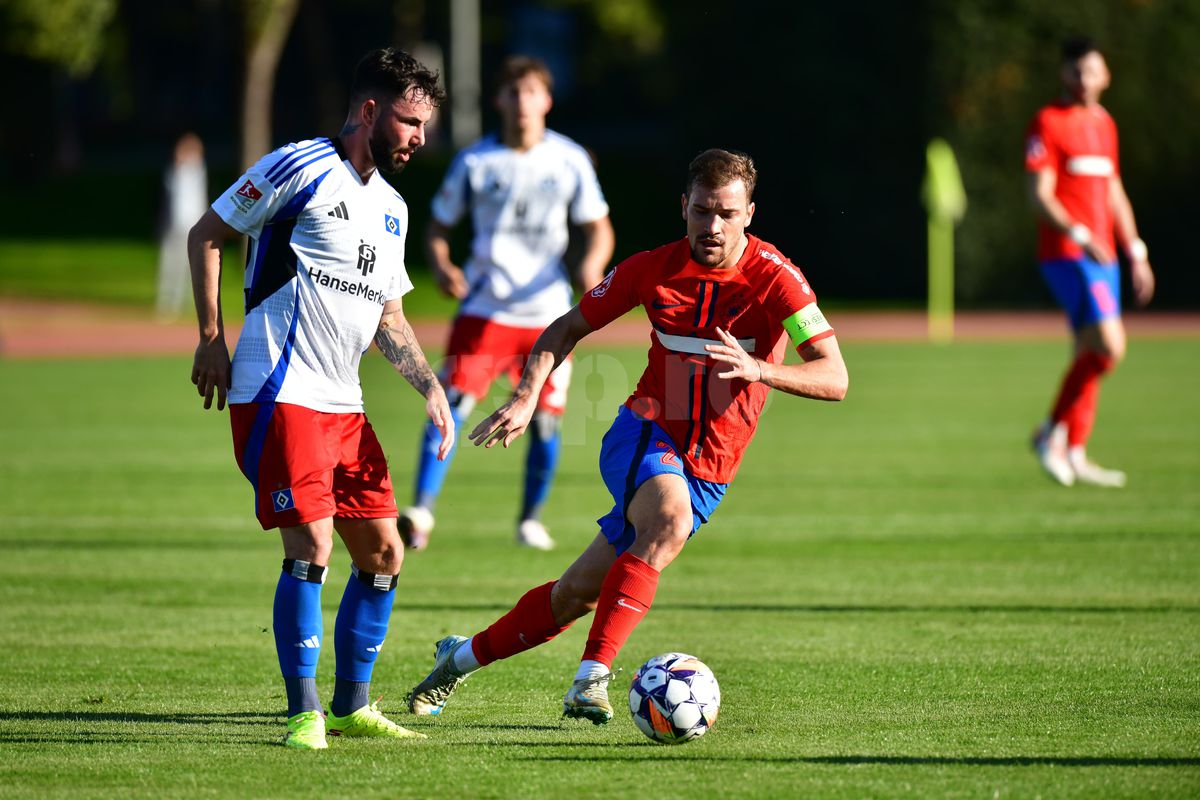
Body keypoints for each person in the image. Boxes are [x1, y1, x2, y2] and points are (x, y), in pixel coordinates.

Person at [405, 149, 848, 723]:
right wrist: (526, 395)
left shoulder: (778, 280)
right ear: (683, 207)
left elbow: (834, 376)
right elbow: (565, 327)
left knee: (574, 596)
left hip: (711, 467)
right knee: (668, 520)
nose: (711, 226)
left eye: (727, 213)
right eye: (701, 211)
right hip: (644, 431)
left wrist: (762, 369)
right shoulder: (650, 268)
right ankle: (591, 679)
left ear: (749, 214)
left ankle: (455, 661)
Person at [188, 47, 452, 750]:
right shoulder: (298, 166)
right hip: (280, 388)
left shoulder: (392, 208)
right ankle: (303, 712)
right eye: (409, 121)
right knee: (312, 541)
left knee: (385, 553)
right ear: (369, 111)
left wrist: (430, 387)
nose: (419, 138)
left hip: (344, 403)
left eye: (424, 125)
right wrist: (212, 336)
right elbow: (208, 233)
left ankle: (349, 705)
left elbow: (390, 320)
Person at [399, 55, 615, 552]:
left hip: (549, 316)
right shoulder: (476, 161)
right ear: (499, 100)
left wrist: (593, 266)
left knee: (545, 418)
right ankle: (421, 514)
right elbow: (437, 227)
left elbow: (598, 227)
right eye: (513, 93)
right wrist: (443, 264)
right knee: (449, 406)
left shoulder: (569, 159)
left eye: (532, 92)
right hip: (485, 309)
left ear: (547, 101)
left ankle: (529, 520)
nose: (522, 102)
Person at [1025, 37, 1155, 487]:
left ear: (1106, 76)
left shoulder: (1104, 124)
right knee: (1110, 345)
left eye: (1092, 71)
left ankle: (1075, 450)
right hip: (1068, 255)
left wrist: (1135, 249)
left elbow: (1114, 191)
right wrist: (1079, 234)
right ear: (1064, 74)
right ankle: (1049, 435)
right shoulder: (1048, 122)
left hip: (1105, 256)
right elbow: (1038, 197)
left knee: (1091, 352)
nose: (1084, 80)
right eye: (1076, 71)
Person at [156, 132, 207, 318]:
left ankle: (181, 302)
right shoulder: (174, 172)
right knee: (169, 263)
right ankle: (166, 303)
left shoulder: (196, 171)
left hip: (191, 225)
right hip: (174, 225)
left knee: (188, 267)